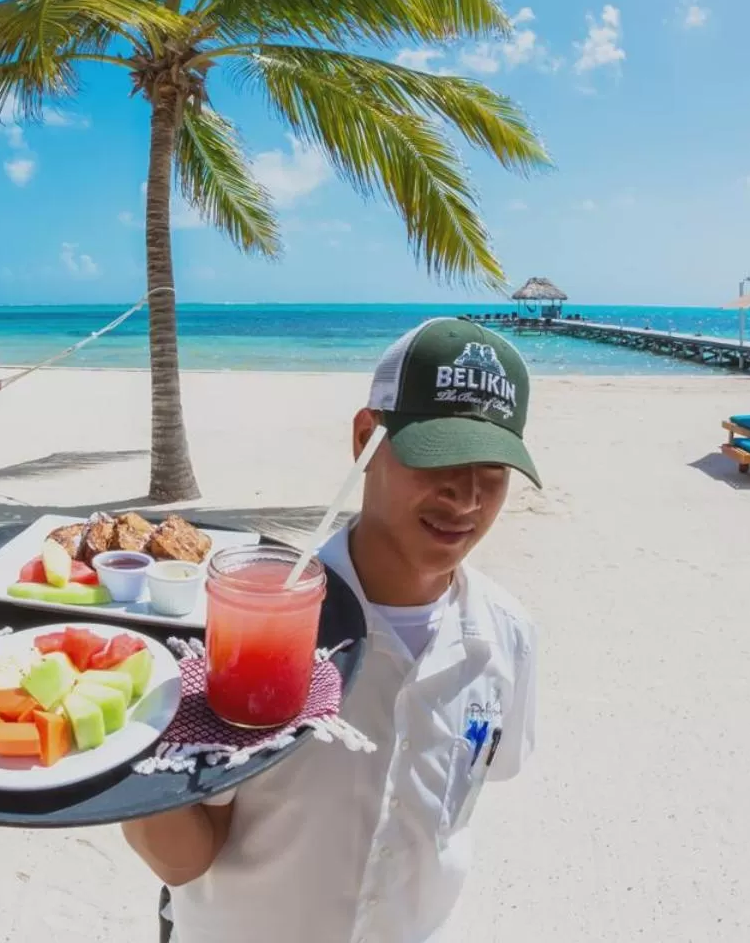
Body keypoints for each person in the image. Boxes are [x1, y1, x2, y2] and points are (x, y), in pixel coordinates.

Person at [125, 319, 540, 943]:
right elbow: (184, 859)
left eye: (494, 469)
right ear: (366, 439)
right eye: (439, 457)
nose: (466, 497)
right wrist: (124, 762)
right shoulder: (255, 621)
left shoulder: (507, 638)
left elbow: (454, 814)